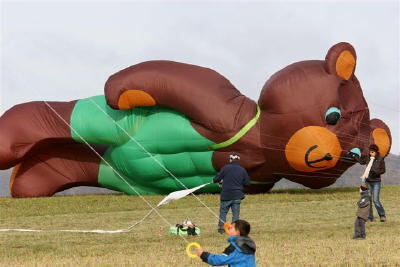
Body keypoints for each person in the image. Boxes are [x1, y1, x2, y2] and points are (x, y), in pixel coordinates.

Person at [213, 154, 251, 234]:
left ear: (230, 160)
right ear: (238, 160)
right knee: (235, 214)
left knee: (223, 213)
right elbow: (247, 182)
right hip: (237, 195)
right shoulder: (242, 170)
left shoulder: (225, 168)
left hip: (226, 195)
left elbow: (217, 179)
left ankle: (221, 230)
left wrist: (215, 180)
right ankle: (235, 230)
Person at [356, 144, 386, 222]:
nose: (370, 153)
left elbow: (383, 170)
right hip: (368, 181)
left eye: (372, 152)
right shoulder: (368, 158)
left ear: (376, 152)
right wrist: (355, 156)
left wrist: (376, 172)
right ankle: (370, 217)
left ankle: (382, 215)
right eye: (370, 151)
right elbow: (361, 162)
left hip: (376, 182)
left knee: (375, 200)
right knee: (368, 200)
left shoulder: (380, 159)